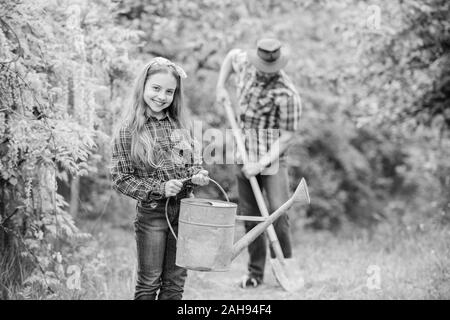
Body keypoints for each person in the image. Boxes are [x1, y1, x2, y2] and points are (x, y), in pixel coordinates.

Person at [111, 57, 209, 300]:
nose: (161, 96)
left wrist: (197, 174)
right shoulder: (129, 129)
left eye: (169, 91)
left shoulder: (179, 124)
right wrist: (159, 188)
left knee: (175, 284)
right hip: (153, 213)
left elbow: (192, 162)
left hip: (184, 212)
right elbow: (121, 178)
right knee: (149, 282)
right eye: (156, 88)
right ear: (143, 87)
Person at [216, 38, 302, 288]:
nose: (264, 74)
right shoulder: (244, 64)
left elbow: (286, 136)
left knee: (278, 211)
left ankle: (285, 267)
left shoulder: (287, 93)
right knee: (251, 216)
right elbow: (231, 56)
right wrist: (220, 87)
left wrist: (261, 162)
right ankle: (254, 274)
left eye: (270, 71)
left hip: (272, 158)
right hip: (244, 155)